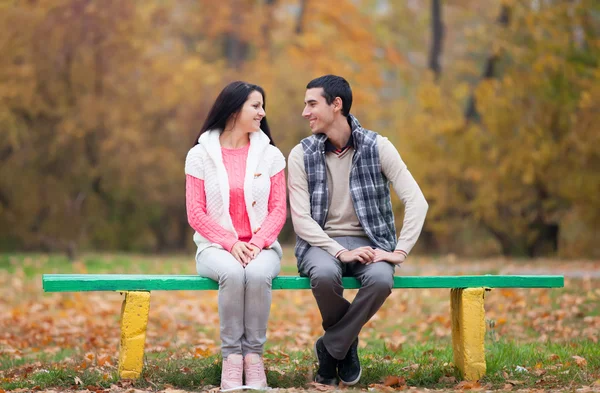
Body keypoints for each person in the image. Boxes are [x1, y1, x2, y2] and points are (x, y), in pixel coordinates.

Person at [287, 75, 429, 386]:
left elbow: (417, 201)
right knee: (324, 275)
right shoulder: (301, 154)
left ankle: (331, 348)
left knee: (380, 279)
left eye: (312, 104)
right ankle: (346, 346)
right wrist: (340, 250)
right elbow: (301, 219)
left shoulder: (378, 147)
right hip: (321, 243)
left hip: (371, 242)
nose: (305, 112)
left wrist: (398, 251)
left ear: (336, 105)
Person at [185, 81, 286, 391]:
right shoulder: (199, 155)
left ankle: (253, 357)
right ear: (233, 109)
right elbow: (196, 212)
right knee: (231, 272)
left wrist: (255, 243)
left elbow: (279, 209)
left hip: (262, 247)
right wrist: (231, 244)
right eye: (255, 106)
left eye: (262, 106)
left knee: (255, 275)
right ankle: (231, 358)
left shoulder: (271, 155)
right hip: (215, 248)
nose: (262, 112)